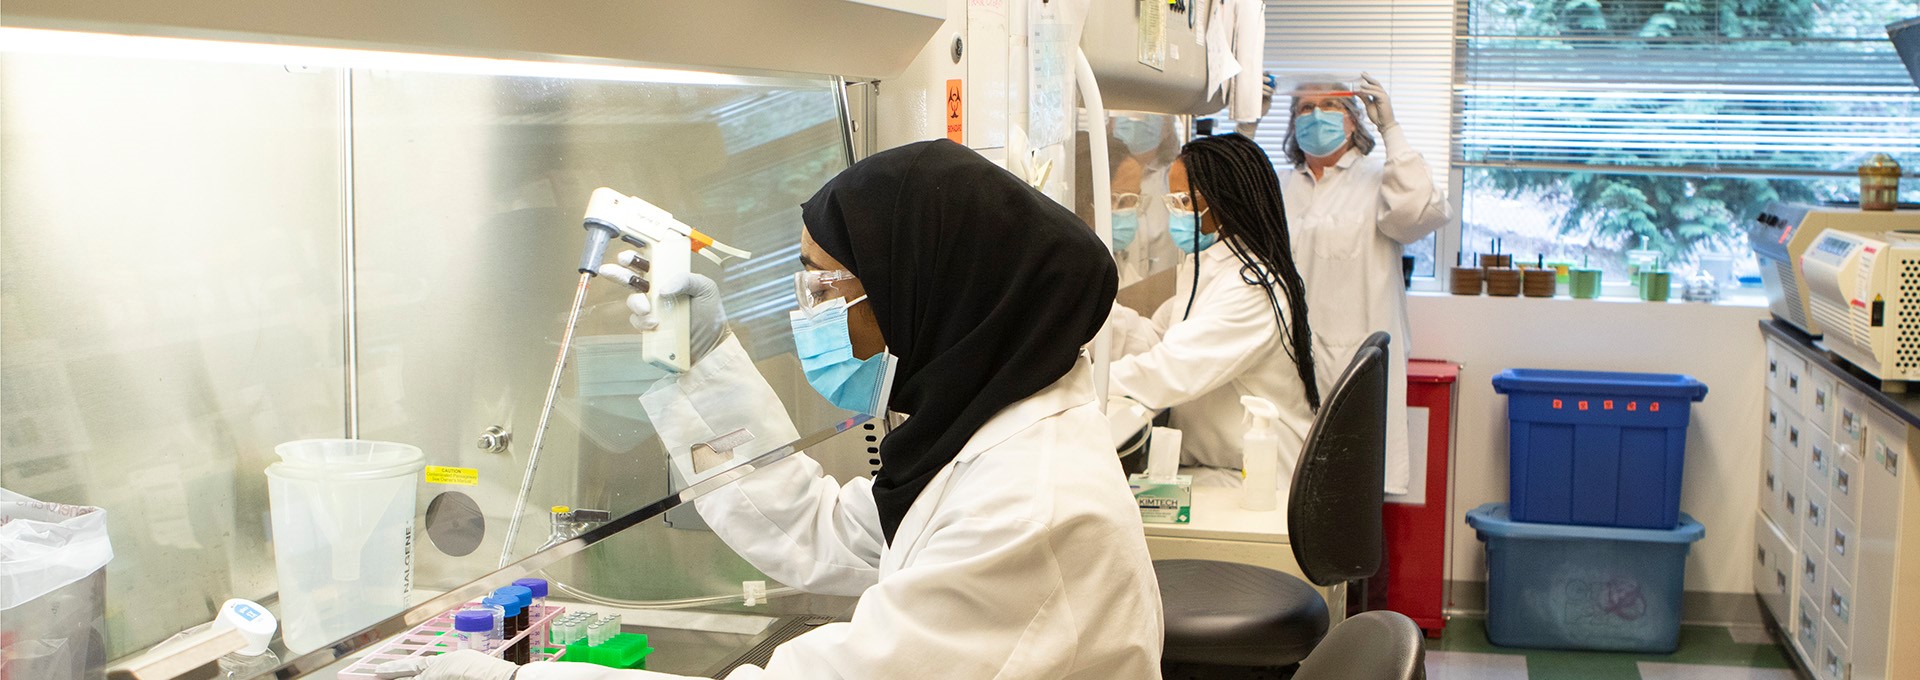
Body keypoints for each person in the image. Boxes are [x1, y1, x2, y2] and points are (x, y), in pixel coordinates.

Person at [381, 139, 1163, 680]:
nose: (809, 314)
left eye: (824, 287)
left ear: (927, 292)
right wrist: (694, 356)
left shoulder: (1033, 506)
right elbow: (822, 530)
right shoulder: (985, 439)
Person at [1105, 133, 1319, 488]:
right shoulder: (1208, 265)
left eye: (1186, 201)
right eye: (1174, 200)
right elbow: (1158, 338)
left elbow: (1172, 370)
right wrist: (1095, 311)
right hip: (1219, 464)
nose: (1177, 212)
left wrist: (1089, 386)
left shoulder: (1253, 287)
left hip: (1256, 477)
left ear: (1224, 203)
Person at [1281, 75, 1449, 496]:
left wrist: (1391, 128)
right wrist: (1245, 129)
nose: (1316, 115)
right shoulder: (1279, 187)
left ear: (1354, 121)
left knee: (1349, 500)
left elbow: (1417, 215)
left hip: (1354, 366)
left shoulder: (1379, 179)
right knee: (1285, 493)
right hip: (1286, 366)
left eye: (1330, 106)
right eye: (1305, 107)